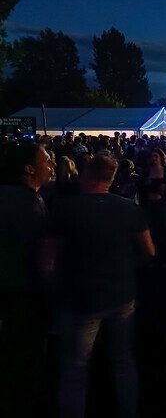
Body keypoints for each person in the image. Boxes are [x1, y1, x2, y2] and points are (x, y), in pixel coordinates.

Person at [52, 154, 155, 418]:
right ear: (111, 178)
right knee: (123, 361)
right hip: (121, 294)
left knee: (75, 368)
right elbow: (149, 250)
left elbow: (46, 259)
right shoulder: (128, 208)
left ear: (86, 174)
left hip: (80, 297)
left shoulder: (65, 208)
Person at [0, 143, 54, 417]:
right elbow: (43, 260)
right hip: (25, 296)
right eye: (46, 161)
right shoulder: (30, 205)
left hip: (12, 293)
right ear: (29, 169)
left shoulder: (10, 196)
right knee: (25, 363)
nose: (52, 165)